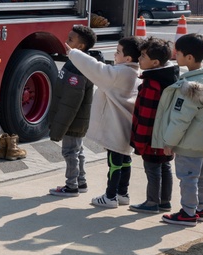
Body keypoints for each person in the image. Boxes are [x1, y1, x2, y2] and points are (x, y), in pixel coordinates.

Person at [152, 33, 203, 226]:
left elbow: (180, 119)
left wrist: (169, 141)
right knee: (202, 176)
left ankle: (188, 213)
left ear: (189, 57)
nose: (175, 56)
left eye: (178, 53)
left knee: (188, 178)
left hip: (189, 142)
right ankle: (200, 208)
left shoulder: (190, 88)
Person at [66, 36, 142, 208]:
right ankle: (123, 193)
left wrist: (74, 53)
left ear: (128, 59)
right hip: (127, 128)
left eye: (118, 52)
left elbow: (95, 68)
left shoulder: (118, 74)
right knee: (125, 160)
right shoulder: (136, 73)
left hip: (115, 128)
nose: (115, 55)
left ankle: (110, 196)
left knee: (114, 163)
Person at [128, 37, 180, 213]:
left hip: (150, 137)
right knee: (165, 166)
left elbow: (146, 116)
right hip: (165, 135)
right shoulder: (169, 79)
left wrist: (140, 142)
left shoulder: (152, 84)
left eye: (143, 56)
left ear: (155, 62)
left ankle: (152, 202)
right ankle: (165, 201)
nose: (139, 59)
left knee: (152, 169)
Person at [47, 25, 97, 196]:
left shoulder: (77, 67)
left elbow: (71, 102)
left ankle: (71, 185)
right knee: (78, 151)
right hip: (78, 119)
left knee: (70, 152)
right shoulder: (79, 62)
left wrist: (60, 126)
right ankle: (80, 182)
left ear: (81, 46)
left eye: (70, 40)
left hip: (73, 119)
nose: (66, 42)